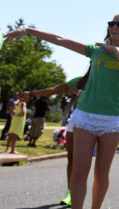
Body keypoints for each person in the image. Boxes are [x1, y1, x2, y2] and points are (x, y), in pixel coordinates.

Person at [4, 12, 119, 209]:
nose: (114, 26)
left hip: (113, 120)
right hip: (85, 115)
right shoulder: (95, 50)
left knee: (101, 173)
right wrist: (28, 31)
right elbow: (61, 40)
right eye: (111, 23)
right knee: (79, 171)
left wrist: (115, 51)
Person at [21, 69, 90, 207]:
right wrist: (31, 93)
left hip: (98, 123)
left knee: (84, 163)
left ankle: (81, 193)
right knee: (71, 159)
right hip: (77, 119)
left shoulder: (106, 80)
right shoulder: (80, 80)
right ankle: (70, 192)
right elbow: (54, 90)